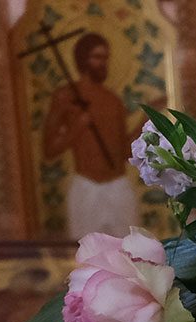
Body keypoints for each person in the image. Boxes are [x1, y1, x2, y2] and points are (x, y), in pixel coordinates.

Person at [41, 33, 134, 237]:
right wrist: (77, 128)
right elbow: (49, 149)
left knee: (127, 250)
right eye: (97, 57)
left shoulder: (113, 101)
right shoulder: (65, 96)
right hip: (86, 186)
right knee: (86, 252)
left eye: (106, 58)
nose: (103, 63)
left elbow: (125, 151)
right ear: (83, 59)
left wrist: (146, 120)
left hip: (118, 187)